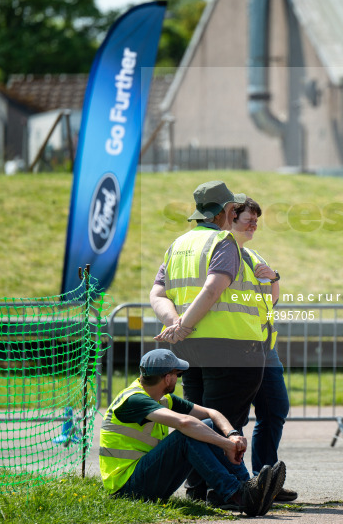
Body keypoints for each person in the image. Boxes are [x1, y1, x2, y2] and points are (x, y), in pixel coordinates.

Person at [149, 180, 269, 501]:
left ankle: (199, 490)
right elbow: (214, 288)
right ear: (228, 211)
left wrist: (174, 323)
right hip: (231, 347)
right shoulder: (224, 242)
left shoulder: (178, 244)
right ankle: (226, 491)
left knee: (199, 419)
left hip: (191, 349)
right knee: (222, 423)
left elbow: (157, 293)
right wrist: (183, 325)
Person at [99, 349, 285, 517]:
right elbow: (184, 423)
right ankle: (239, 495)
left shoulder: (160, 398)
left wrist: (231, 434)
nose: (178, 378)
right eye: (177, 374)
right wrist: (226, 445)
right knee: (185, 436)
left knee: (208, 425)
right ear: (167, 378)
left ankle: (251, 488)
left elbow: (212, 414)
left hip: (143, 479)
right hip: (127, 488)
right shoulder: (134, 400)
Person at [230, 198, 297, 503]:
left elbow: (272, 298)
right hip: (237, 346)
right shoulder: (225, 252)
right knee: (234, 418)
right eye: (249, 218)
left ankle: (265, 479)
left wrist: (276, 279)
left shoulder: (252, 254)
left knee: (276, 408)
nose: (254, 224)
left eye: (257, 220)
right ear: (232, 218)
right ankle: (237, 482)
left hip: (263, 348)